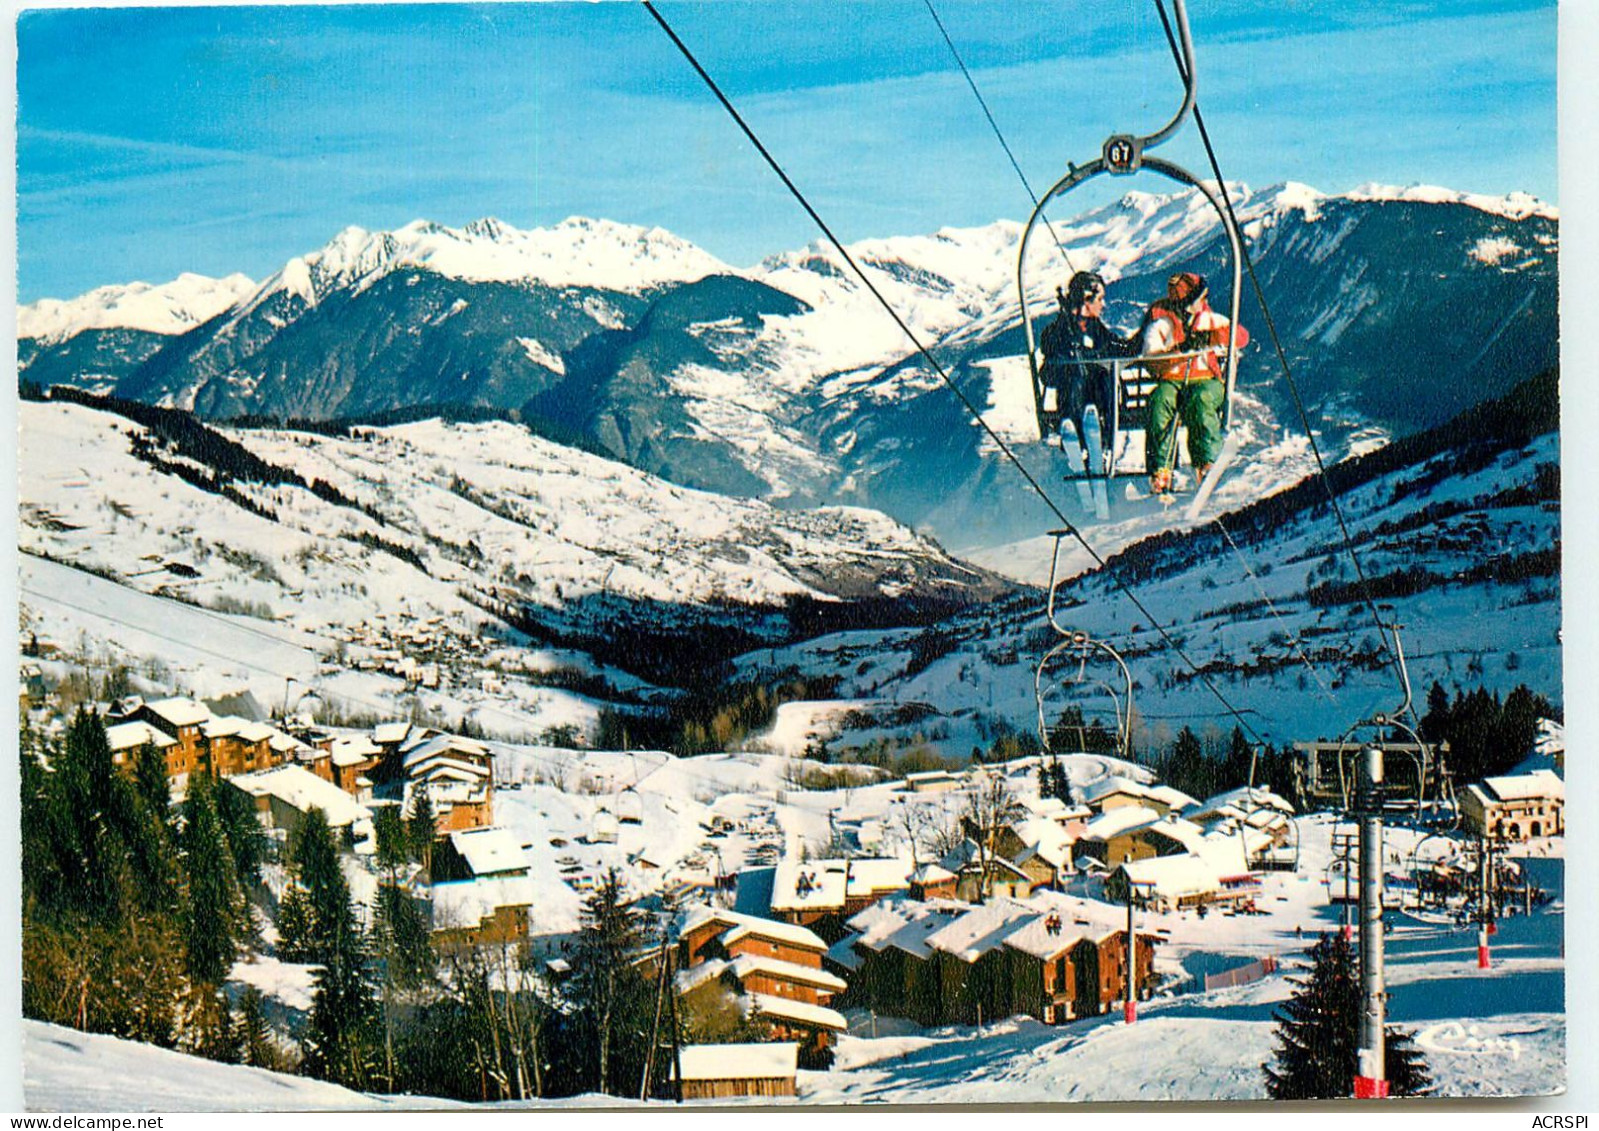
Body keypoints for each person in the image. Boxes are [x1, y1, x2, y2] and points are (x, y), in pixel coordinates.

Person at [1140, 271, 1249, 494]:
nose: (1205, 303)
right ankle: (1160, 470)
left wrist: (1215, 333)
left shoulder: (1210, 320)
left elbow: (1240, 338)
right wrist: (1181, 350)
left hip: (1205, 379)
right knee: (1159, 402)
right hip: (1172, 380)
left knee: (1201, 401)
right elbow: (1152, 360)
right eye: (1201, 299)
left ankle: (1206, 463)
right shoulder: (1163, 324)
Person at [1039, 271, 1137, 454]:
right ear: (1086, 300)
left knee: (1105, 379)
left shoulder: (1096, 329)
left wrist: (1136, 345)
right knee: (1075, 380)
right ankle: (1076, 437)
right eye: (1099, 299)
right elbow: (1048, 372)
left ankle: (1104, 438)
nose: (1102, 304)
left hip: (1098, 394)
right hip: (1075, 396)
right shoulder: (1058, 331)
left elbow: (1114, 345)